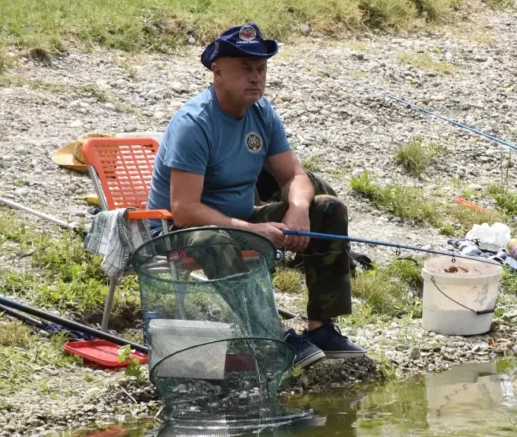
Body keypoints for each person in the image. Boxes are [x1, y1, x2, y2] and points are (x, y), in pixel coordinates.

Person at [147, 22, 365, 368]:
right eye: (245, 68)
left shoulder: (263, 114)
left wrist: (297, 207)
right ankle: (271, 336)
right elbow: (185, 210)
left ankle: (322, 327)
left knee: (328, 207)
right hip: (181, 233)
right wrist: (252, 230)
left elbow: (294, 174)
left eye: (261, 69)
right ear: (217, 71)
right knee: (219, 239)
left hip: (241, 219)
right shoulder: (194, 123)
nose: (256, 77)